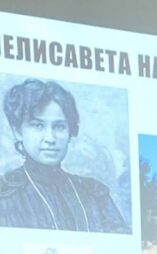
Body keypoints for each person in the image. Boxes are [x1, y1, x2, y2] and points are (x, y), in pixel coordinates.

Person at [0, 78, 128, 233]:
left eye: (59, 126)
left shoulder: (95, 194)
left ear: (69, 133)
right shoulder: (4, 194)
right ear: (18, 131)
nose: (50, 138)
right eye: (38, 125)